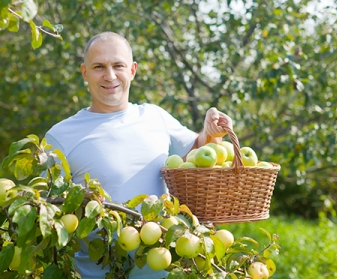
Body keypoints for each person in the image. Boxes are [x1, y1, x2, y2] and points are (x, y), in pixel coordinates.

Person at [45, 32, 233, 278]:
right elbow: (46, 211)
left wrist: (211, 132)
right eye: (99, 67)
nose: (110, 76)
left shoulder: (155, 116)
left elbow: (200, 155)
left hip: (162, 271)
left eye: (118, 66)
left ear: (132, 70)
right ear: (85, 73)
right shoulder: (60, 136)